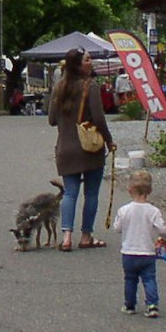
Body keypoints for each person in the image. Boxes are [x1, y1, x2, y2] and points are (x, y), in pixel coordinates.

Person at [47, 47, 116, 251]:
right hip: (90, 148)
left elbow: (51, 120)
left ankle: (66, 237)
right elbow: (99, 118)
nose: (91, 62)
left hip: (65, 148)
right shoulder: (90, 86)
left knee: (70, 193)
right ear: (78, 65)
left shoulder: (59, 87)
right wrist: (109, 141)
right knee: (91, 193)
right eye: (87, 60)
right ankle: (86, 236)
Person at [112, 169, 166, 317]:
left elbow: (116, 228)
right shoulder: (153, 211)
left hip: (129, 252)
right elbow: (162, 230)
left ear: (129, 189)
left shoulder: (124, 210)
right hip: (147, 252)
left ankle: (130, 304)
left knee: (130, 279)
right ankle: (152, 305)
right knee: (149, 279)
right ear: (150, 190)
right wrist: (164, 237)